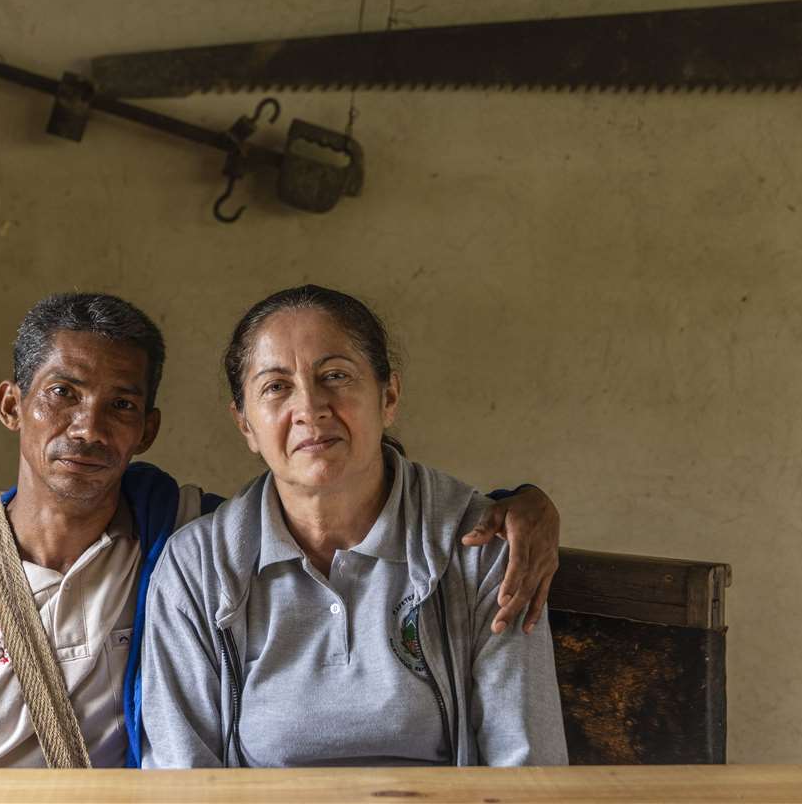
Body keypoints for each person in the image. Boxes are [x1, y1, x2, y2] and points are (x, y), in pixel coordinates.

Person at [0, 292, 562, 768]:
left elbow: (332, 485)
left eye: (121, 407)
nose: (87, 428)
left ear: (149, 429)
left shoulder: (177, 536)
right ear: (12, 405)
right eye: (60, 395)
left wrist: (524, 502)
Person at [142, 285, 569, 768]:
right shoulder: (197, 569)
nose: (310, 408)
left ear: (388, 397)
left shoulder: (482, 548)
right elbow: (183, 782)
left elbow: (526, 771)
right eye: (276, 387)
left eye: (336, 376)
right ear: (245, 425)